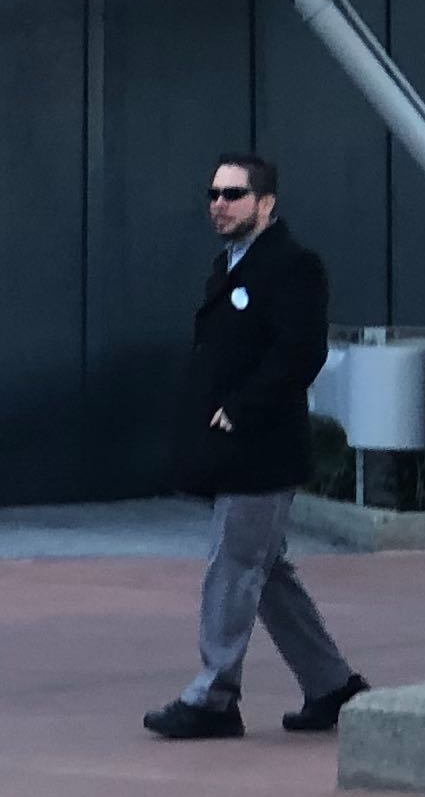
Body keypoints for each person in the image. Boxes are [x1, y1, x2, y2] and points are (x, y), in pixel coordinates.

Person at [143, 152, 369, 742]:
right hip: (231, 448)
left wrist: (241, 409)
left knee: (234, 565)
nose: (219, 204)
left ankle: (215, 696)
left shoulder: (294, 266)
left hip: (261, 448)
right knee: (264, 572)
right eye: (214, 193)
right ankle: (333, 686)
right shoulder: (229, 266)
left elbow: (299, 354)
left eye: (234, 194)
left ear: (266, 204)